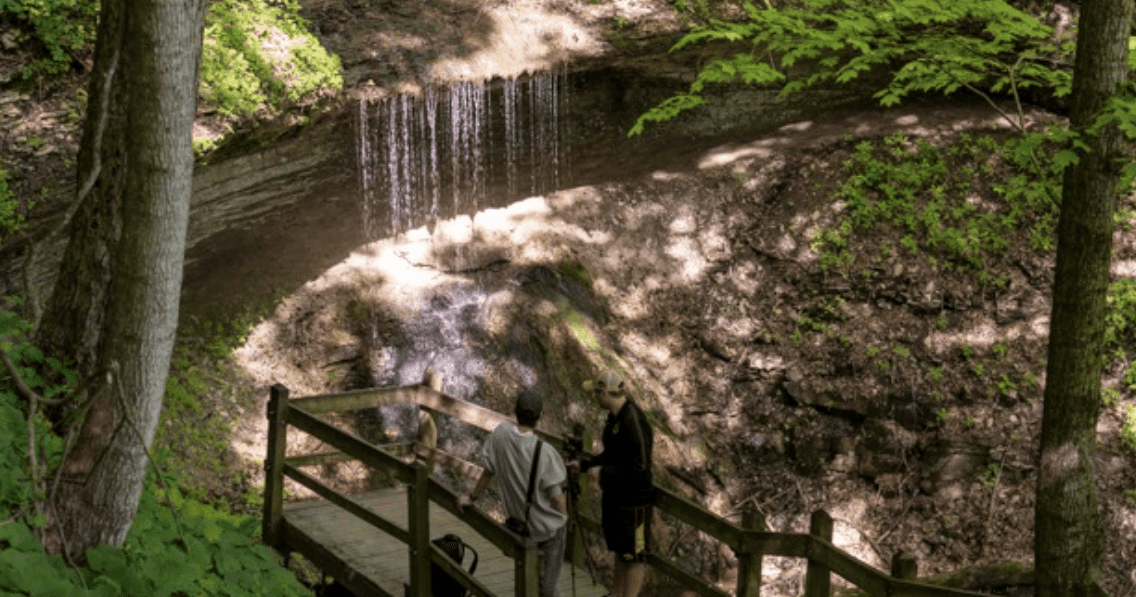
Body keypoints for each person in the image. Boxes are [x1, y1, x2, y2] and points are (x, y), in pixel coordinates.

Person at [458, 390, 568, 597]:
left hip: (518, 524)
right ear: (540, 417)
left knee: (531, 578)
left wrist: (472, 497)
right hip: (544, 528)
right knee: (549, 584)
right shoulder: (545, 452)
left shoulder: (500, 434)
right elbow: (557, 498)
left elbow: (488, 472)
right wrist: (565, 519)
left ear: (514, 411)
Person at [573, 370, 654, 597]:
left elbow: (640, 465)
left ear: (606, 392)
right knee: (620, 550)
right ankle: (615, 593)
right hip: (617, 499)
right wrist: (586, 465)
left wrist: (604, 472)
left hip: (635, 503)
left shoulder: (633, 419)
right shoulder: (613, 417)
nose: (594, 397)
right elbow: (611, 454)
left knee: (635, 555)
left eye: (596, 393)